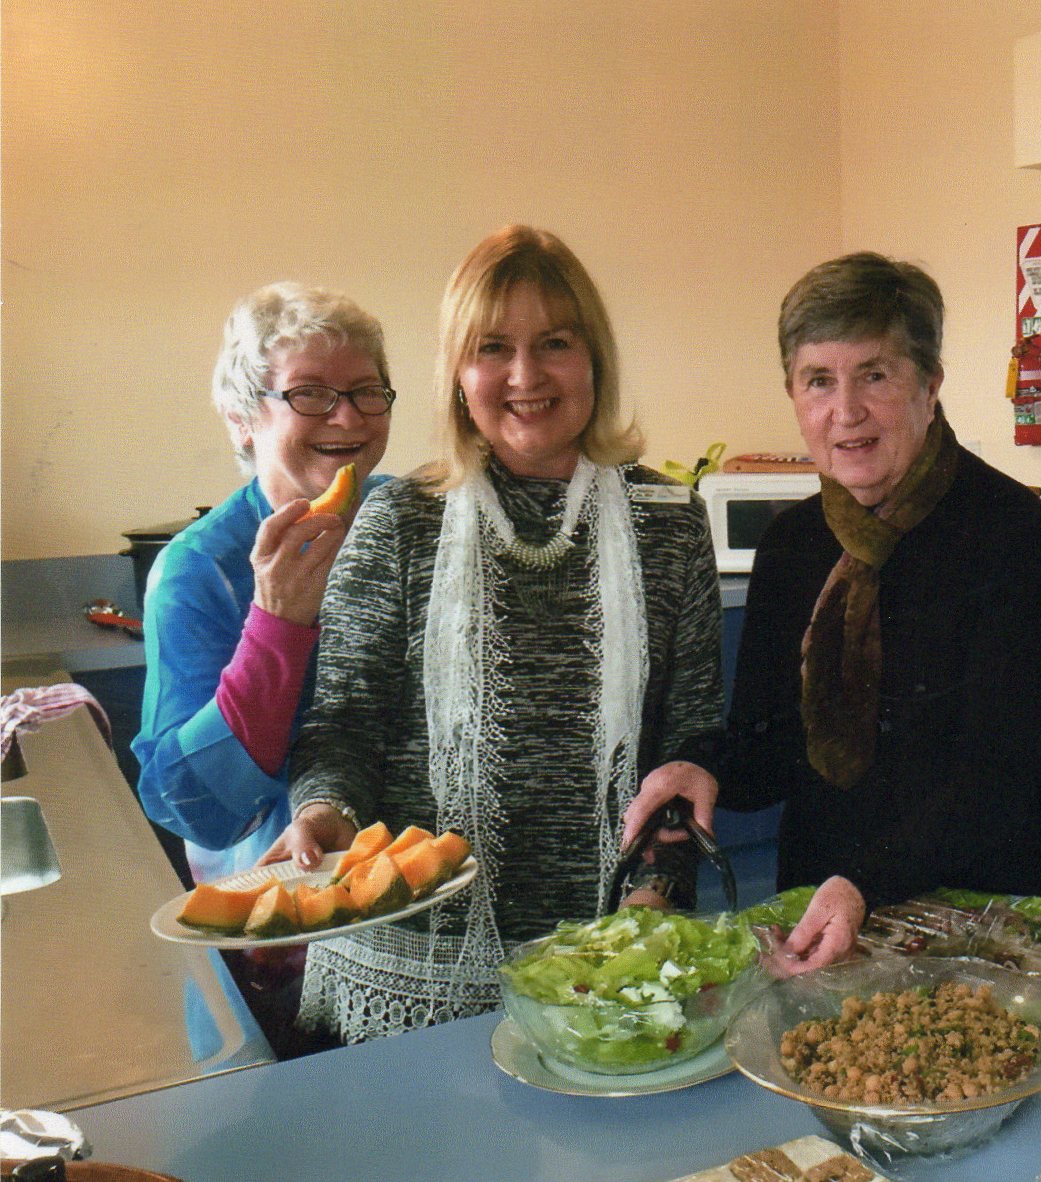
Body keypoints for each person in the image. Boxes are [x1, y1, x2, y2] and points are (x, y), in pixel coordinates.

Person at [264, 226, 723, 1043]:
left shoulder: (670, 524)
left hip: (608, 959)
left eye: (555, 342)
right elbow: (345, 724)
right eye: (493, 347)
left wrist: (654, 892)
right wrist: (327, 811)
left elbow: (686, 744)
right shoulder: (397, 519)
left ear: (595, 360)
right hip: (409, 976)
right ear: (457, 373)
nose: (525, 375)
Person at [625, 252, 1041, 975]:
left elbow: (1004, 771)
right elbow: (771, 748)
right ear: (793, 395)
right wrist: (700, 769)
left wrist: (869, 882)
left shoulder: (1009, 532)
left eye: (875, 375)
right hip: (826, 916)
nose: (846, 412)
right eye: (819, 381)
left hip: (984, 924)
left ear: (930, 385)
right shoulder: (793, 545)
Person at [135, 282, 395, 884]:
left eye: (366, 392)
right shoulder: (198, 571)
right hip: (286, 911)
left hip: (427, 890)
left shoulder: (412, 521)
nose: (349, 416)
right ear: (242, 417)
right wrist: (275, 626)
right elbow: (196, 809)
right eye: (310, 394)